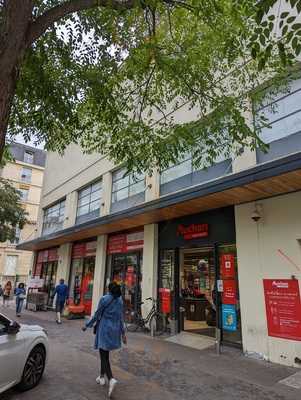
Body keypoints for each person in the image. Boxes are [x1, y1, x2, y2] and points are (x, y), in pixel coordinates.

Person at [83, 282, 126, 398]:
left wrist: (87, 325)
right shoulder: (120, 301)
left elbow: (97, 315)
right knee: (105, 353)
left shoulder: (104, 299)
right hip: (114, 330)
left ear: (109, 290)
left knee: (103, 356)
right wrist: (123, 333)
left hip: (104, 329)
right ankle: (101, 376)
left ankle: (111, 378)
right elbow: (121, 318)